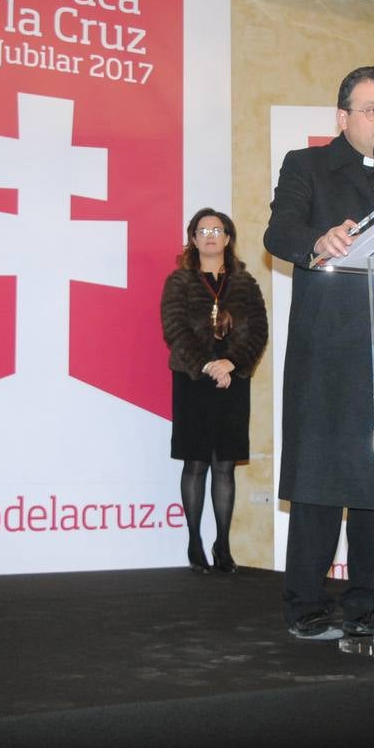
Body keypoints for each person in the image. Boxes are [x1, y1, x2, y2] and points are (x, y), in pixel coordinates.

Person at [263, 66, 374, 640]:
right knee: (319, 480)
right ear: (342, 118)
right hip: (328, 352)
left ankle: (369, 608)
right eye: (371, 109)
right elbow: (278, 232)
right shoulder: (306, 166)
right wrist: (318, 241)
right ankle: (307, 607)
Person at [160, 208, 268, 574]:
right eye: (202, 230)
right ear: (193, 238)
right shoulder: (179, 281)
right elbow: (174, 328)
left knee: (225, 465)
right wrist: (208, 364)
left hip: (233, 381)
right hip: (194, 380)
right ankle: (195, 542)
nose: (210, 235)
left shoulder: (245, 282)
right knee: (196, 462)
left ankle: (223, 544)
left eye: (217, 230)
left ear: (228, 238)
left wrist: (230, 364)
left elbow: (258, 332)